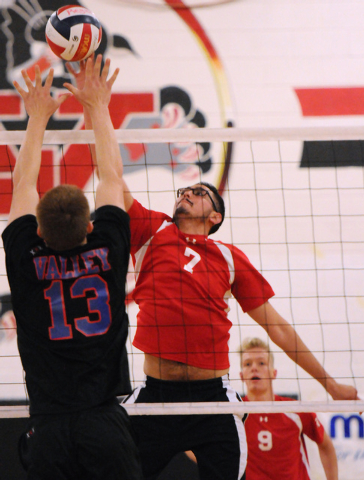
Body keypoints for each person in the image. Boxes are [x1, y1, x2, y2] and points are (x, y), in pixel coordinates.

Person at [68, 62, 358, 480]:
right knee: (111, 469)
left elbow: (276, 327)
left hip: (214, 398)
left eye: (198, 192)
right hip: (155, 395)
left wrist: (330, 385)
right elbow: (111, 175)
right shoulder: (153, 232)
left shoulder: (228, 257)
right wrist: (98, 108)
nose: (186, 192)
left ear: (215, 216)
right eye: (184, 190)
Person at [1, 56, 142, 479]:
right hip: (103, 423)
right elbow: (112, 177)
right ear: (91, 226)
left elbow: (23, 184)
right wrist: (98, 106)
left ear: (38, 230)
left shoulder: (27, 259)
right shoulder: (110, 248)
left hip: (49, 427)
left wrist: (37, 117)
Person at [240, 337, 338, 480]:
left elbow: (326, 446)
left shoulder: (294, 410)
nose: (254, 368)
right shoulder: (234, 414)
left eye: (261, 363)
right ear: (241, 376)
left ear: (274, 373)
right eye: (247, 364)